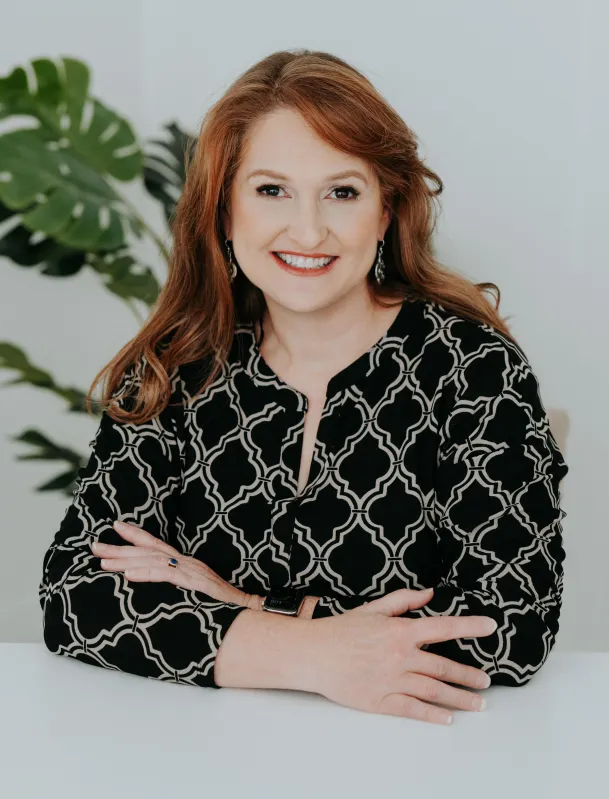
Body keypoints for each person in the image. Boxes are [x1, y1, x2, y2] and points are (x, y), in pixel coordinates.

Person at [38, 49, 569, 726]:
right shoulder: (175, 367)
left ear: (385, 211)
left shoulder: (475, 370)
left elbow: (515, 623)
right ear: (224, 210)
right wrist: (316, 652)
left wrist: (246, 604)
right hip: (193, 758)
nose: (310, 230)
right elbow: (76, 594)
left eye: (342, 192)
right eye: (271, 190)